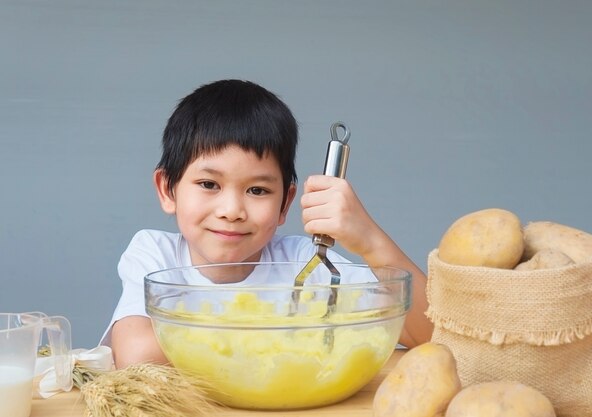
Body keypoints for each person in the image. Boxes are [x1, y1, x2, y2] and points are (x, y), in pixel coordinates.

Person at [101, 79, 433, 368]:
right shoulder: (154, 255)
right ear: (167, 189)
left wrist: (371, 241)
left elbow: (434, 332)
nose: (232, 210)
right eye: (209, 184)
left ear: (284, 203)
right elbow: (138, 356)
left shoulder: (306, 263)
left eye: (257, 190)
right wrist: (279, 337)